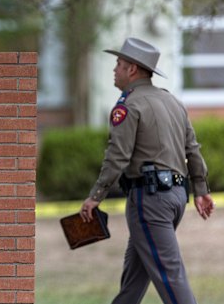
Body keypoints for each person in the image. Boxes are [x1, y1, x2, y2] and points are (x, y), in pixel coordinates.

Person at [79, 37, 215, 304]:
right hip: (175, 197)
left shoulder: (128, 105)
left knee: (171, 278)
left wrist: (95, 196)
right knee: (134, 281)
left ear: (132, 69)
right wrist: (200, 190)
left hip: (150, 201)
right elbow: (193, 150)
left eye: (118, 63)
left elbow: (117, 156)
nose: (114, 69)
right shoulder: (172, 102)